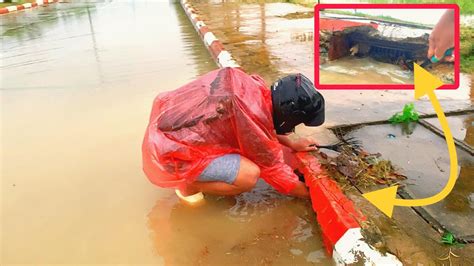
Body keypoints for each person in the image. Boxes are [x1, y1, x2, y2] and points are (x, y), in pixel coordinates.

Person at [142, 68, 325, 201]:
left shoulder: (254, 90)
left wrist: (292, 144)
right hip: (171, 153)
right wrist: (313, 196)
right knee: (248, 175)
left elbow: (261, 126)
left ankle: (201, 178)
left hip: (166, 132)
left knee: (244, 161)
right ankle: (188, 185)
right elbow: (277, 174)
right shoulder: (251, 114)